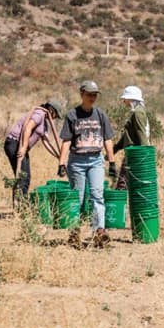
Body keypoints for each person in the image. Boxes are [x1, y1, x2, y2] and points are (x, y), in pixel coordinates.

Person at [58, 80, 115, 249]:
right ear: (81, 94)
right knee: (78, 198)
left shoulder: (101, 115)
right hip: (77, 162)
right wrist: (62, 163)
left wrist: (112, 162)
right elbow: (67, 141)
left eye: (95, 95)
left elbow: (108, 139)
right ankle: (74, 233)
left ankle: (99, 232)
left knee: (98, 195)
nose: (92, 98)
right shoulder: (72, 115)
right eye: (89, 94)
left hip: (96, 160)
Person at [4, 97, 64, 204]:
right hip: (15, 144)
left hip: (22, 146)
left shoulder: (44, 123)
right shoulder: (39, 114)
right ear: (51, 110)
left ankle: (21, 202)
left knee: (26, 176)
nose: (54, 118)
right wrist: (23, 147)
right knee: (22, 176)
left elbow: (46, 142)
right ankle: (20, 204)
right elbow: (27, 128)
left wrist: (58, 156)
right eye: (55, 115)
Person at [111, 85, 151, 189]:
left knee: (123, 184)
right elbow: (127, 136)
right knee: (126, 183)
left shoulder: (138, 113)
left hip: (135, 154)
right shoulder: (137, 112)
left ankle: (120, 204)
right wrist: (114, 150)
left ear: (131, 98)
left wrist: (145, 156)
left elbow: (141, 134)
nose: (123, 100)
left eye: (125, 98)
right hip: (133, 153)